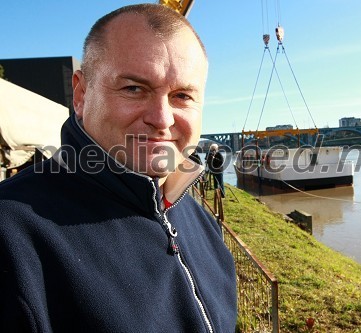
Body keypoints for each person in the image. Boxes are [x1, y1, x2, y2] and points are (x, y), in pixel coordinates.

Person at [0, 4, 237, 332]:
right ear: (81, 94)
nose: (162, 118)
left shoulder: (200, 221)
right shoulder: (12, 236)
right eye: (134, 89)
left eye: (182, 96)